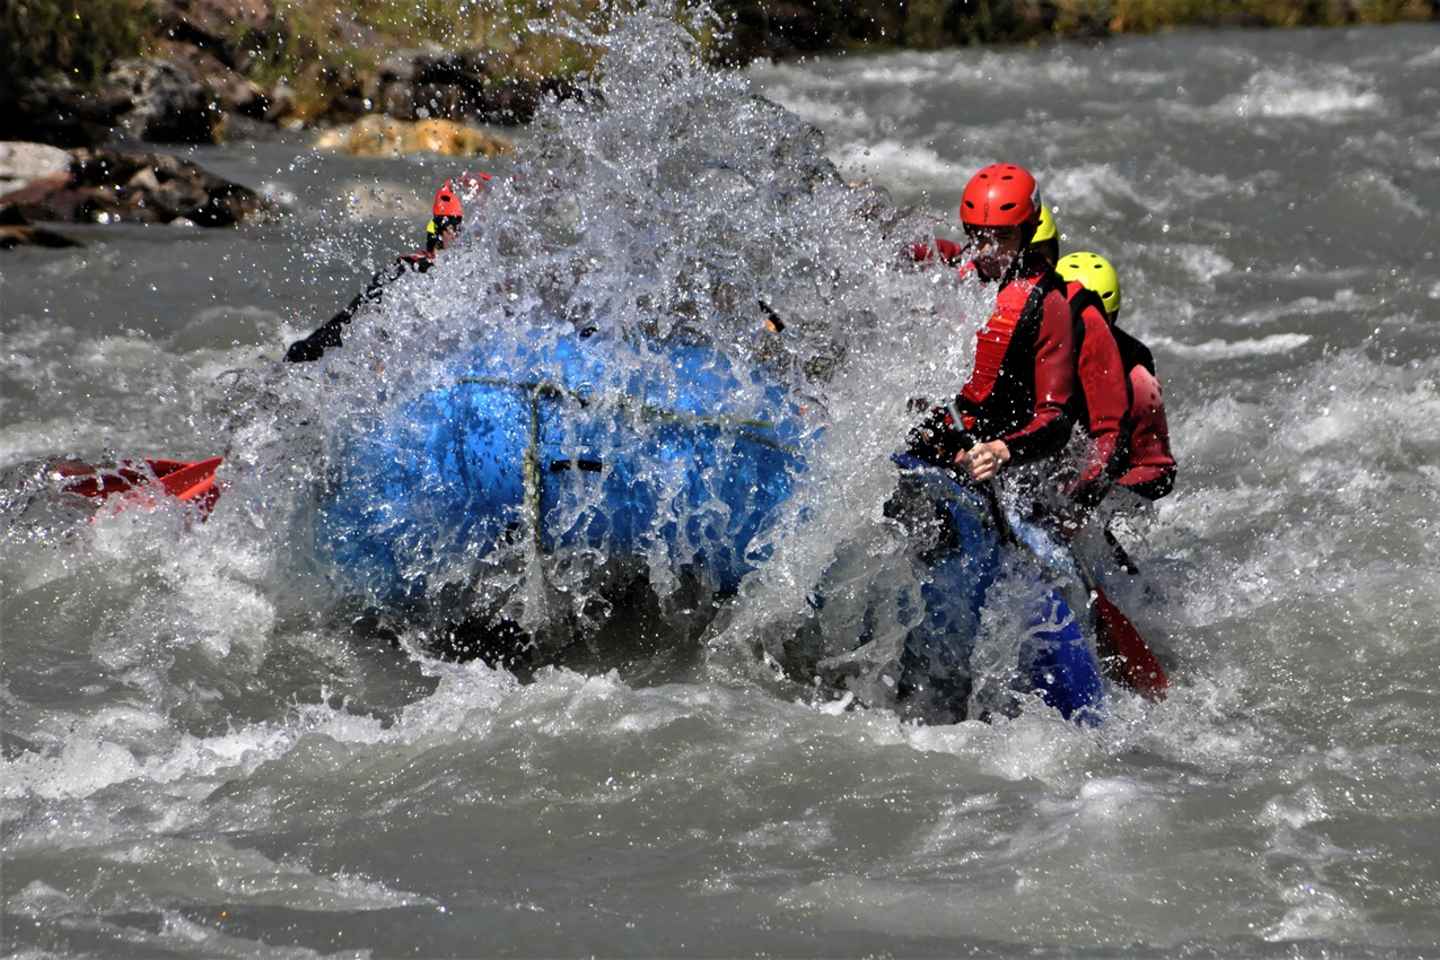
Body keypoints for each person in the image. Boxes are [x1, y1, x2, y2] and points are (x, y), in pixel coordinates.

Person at [911, 163, 1076, 485]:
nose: (988, 250)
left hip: (991, 459)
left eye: (1003, 236)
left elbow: (1057, 418)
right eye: (977, 235)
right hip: (939, 439)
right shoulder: (962, 271)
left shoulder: (1048, 303)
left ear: (1027, 230)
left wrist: (999, 451)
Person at [284, 174, 489, 363]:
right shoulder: (413, 268)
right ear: (442, 230)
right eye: (458, 230)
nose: (465, 237)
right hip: (335, 344)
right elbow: (365, 320)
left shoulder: (462, 270)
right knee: (309, 348)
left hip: (347, 339)